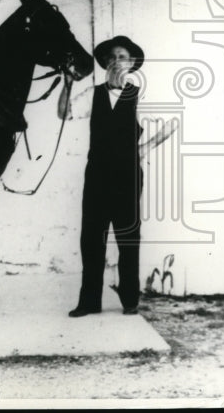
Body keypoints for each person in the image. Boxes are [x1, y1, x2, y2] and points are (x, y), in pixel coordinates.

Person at [67, 35, 161, 317]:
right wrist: (69, 83)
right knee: (91, 239)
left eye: (121, 57)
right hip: (96, 176)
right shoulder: (92, 94)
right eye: (110, 58)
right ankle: (89, 302)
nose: (115, 62)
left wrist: (139, 151)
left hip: (128, 177)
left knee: (127, 237)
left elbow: (168, 127)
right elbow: (64, 113)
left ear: (131, 64)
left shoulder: (139, 96)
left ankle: (130, 301)